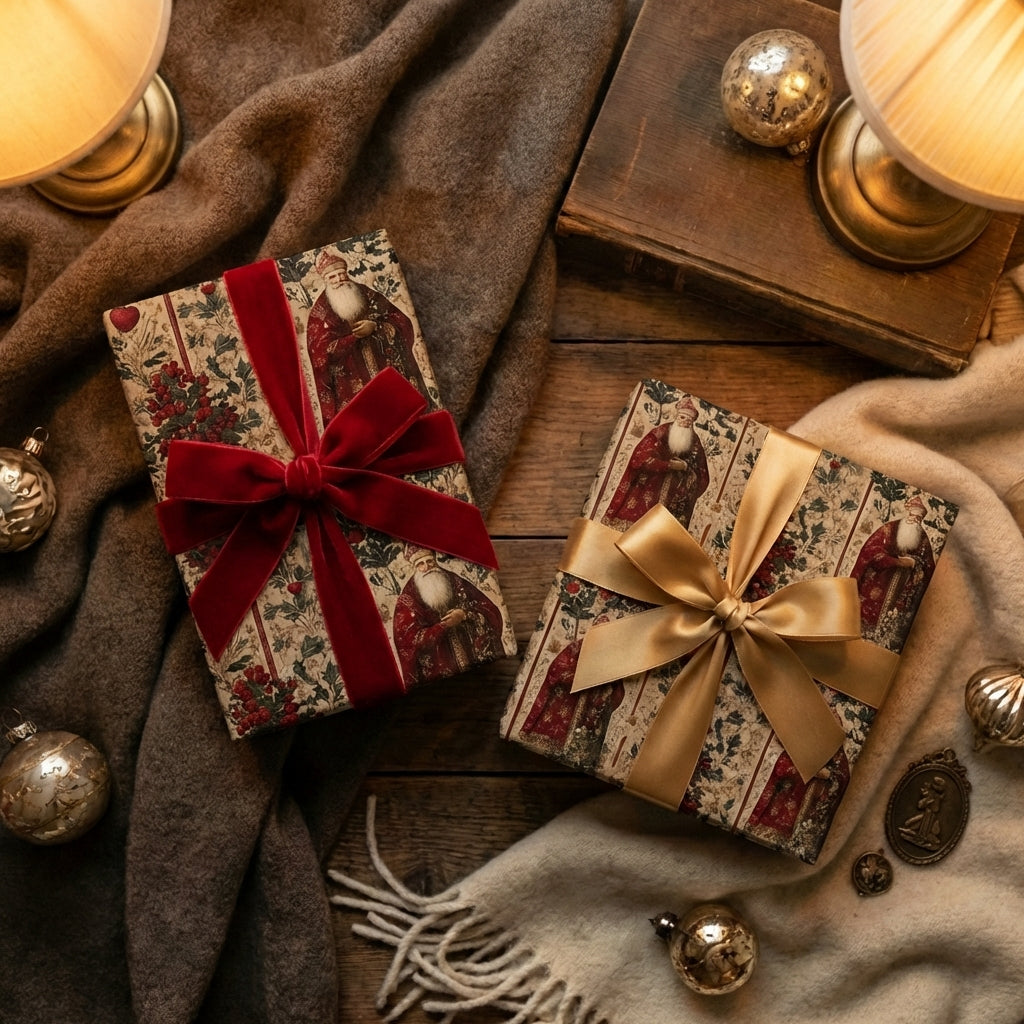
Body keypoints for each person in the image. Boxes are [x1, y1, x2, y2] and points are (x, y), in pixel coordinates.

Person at [305, 248, 426, 422]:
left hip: (384, 366)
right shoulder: (320, 311)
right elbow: (320, 354)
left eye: (342, 274)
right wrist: (353, 338)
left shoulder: (364, 292)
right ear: (325, 280)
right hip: (350, 380)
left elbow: (400, 319)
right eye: (333, 277)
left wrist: (376, 326)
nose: (339, 279)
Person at [392, 545, 506, 687]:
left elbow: (488, 609)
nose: (427, 567)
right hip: (439, 674)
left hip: (476, 665)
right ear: (414, 568)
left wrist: (465, 614)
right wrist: (444, 626)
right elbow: (408, 642)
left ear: (435, 560)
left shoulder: (453, 580)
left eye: (429, 561)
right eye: (420, 564)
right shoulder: (408, 598)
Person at [518, 632, 625, 772]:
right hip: (566, 700)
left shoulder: (613, 657)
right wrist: (579, 678)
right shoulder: (578, 647)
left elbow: (616, 687)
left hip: (591, 708)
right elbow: (557, 668)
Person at [603, 397, 710, 530]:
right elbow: (639, 458)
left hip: (673, 497)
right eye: (682, 417)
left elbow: (701, 474)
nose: (685, 422)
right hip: (647, 489)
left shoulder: (695, 441)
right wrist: (667, 465)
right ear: (677, 417)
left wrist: (685, 467)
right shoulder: (661, 432)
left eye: (689, 420)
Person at [851, 494, 935, 642]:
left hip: (900, 593)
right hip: (878, 585)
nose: (914, 520)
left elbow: (929, 568)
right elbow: (871, 552)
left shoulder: (922, 538)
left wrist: (915, 563)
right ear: (908, 513)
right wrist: (897, 562)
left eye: (918, 519)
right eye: (913, 516)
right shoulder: (889, 529)